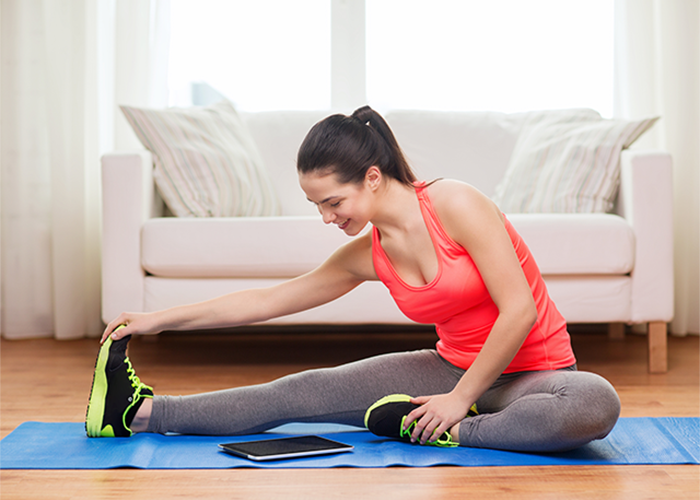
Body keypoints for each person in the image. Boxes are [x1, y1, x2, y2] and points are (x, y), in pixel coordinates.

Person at [85, 105, 620, 452]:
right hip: (448, 368)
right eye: (316, 205)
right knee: (299, 391)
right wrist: (157, 320)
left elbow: (520, 310)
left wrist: (458, 402)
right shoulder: (367, 254)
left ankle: (447, 429)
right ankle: (140, 412)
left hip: (536, 375)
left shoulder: (456, 203)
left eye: (333, 202)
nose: (326, 218)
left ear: (372, 177)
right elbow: (267, 301)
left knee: (594, 403)